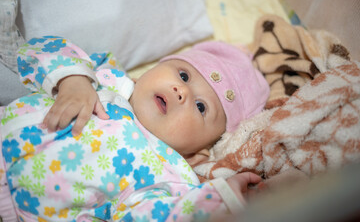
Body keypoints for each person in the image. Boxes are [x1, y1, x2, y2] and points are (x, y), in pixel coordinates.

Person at [0, 36, 270, 221]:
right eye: (183, 75)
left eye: (201, 107)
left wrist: (222, 198)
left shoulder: (166, 174)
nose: (182, 91)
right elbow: (38, 48)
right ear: (151, 70)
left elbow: (159, 216)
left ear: (200, 152)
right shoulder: (105, 77)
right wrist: (73, 80)